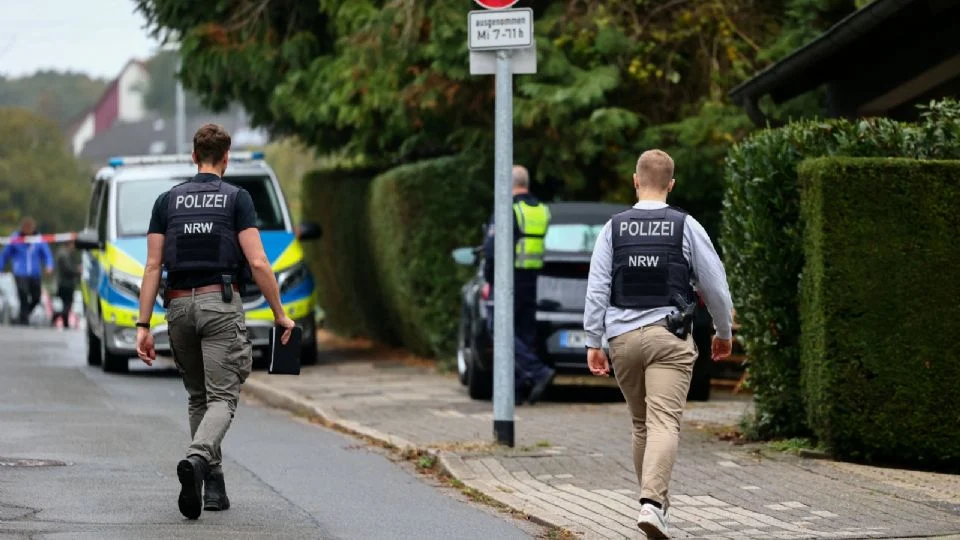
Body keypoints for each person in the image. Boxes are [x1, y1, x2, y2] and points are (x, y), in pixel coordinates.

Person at [134, 124, 296, 520]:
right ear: (226, 158)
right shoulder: (237, 199)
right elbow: (257, 261)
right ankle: (197, 458)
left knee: (197, 397)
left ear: (193, 157)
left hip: (177, 307)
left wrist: (143, 325)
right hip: (219, 304)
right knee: (223, 397)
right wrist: (279, 313)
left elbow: (152, 266)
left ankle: (213, 487)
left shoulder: (166, 201)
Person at [583, 149, 733, 538]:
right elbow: (715, 285)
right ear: (671, 184)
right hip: (669, 337)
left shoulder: (613, 228)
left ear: (635, 181)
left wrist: (593, 340)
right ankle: (651, 503)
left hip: (623, 340)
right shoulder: (686, 226)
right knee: (664, 421)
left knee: (641, 424)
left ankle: (654, 504)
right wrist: (723, 332)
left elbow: (597, 288)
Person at [482, 165, 555, 405]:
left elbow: (492, 251)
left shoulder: (508, 209)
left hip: (508, 281)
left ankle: (536, 371)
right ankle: (518, 388)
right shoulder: (540, 210)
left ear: (507, 184)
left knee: (499, 329)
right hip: (531, 279)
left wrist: (489, 280)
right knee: (523, 334)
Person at [0, 217, 54, 325]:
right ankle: (23, 320)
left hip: (35, 273)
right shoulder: (15, 239)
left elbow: (47, 254)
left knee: (36, 297)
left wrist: (49, 265)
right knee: (23, 294)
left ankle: (23, 314)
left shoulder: (39, 239)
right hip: (20, 272)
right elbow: (4, 255)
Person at [53, 240, 80, 329]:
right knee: (67, 304)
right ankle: (60, 318)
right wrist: (78, 271)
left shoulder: (63, 253)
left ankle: (63, 321)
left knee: (64, 304)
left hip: (63, 283)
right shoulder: (64, 254)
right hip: (66, 283)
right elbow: (67, 270)